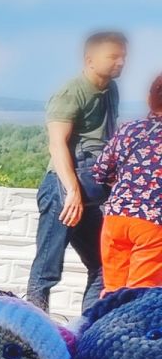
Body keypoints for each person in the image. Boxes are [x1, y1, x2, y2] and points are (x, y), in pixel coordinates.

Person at [30, 30, 127, 312]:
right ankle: (34, 332)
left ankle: (85, 332)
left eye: (123, 57)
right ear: (90, 59)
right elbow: (57, 144)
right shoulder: (71, 92)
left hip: (90, 192)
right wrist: (71, 191)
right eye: (113, 56)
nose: (120, 62)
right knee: (47, 270)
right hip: (63, 187)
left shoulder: (111, 90)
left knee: (102, 265)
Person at [94, 71, 162, 291]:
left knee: (112, 294)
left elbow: (101, 171)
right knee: (137, 300)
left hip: (115, 220)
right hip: (152, 224)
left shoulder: (128, 129)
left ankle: (102, 325)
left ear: (149, 99)